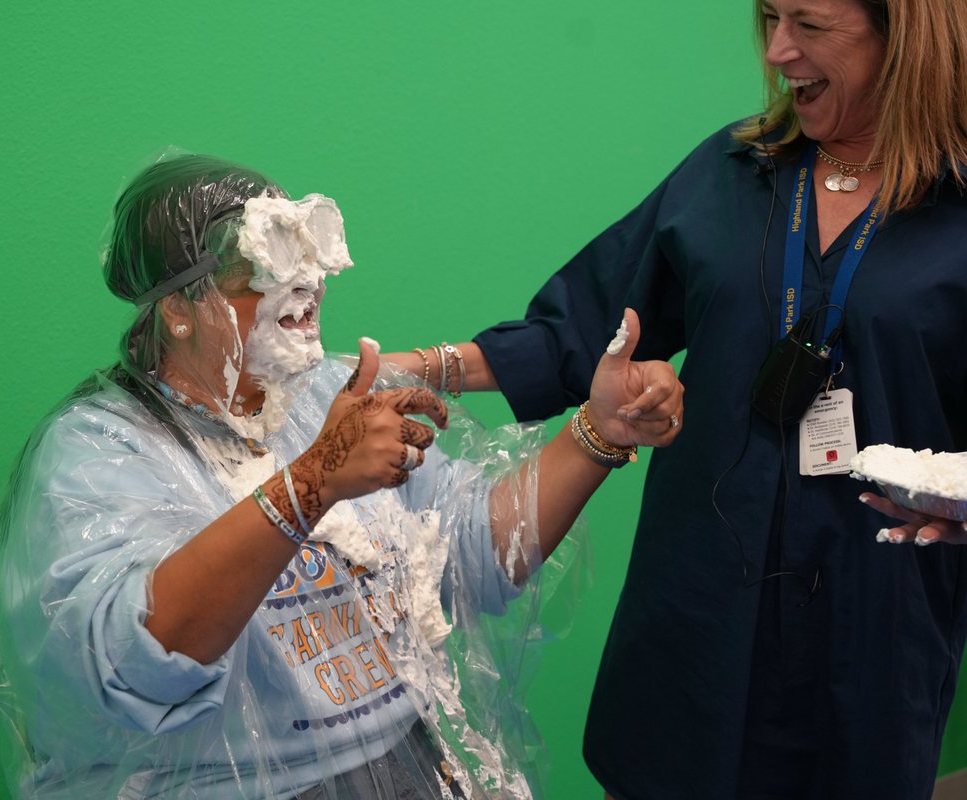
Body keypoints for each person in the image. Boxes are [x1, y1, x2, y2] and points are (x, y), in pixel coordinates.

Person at [386, 0, 967, 797]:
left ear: (905, 34)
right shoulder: (734, 170)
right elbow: (584, 327)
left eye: (810, 24)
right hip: (699, 617)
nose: (779, 51)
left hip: (871, 629)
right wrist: (411, 368)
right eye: (770, 17)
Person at [0, 154, 684, 799]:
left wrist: (597, 434)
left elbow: (474, 554)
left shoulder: (327, 396)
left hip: (407, 766)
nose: (306, 284)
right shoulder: (100, 450)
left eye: (308, 255)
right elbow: (131, 661)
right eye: (263, 264)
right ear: (177, 309)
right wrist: (310, 484)